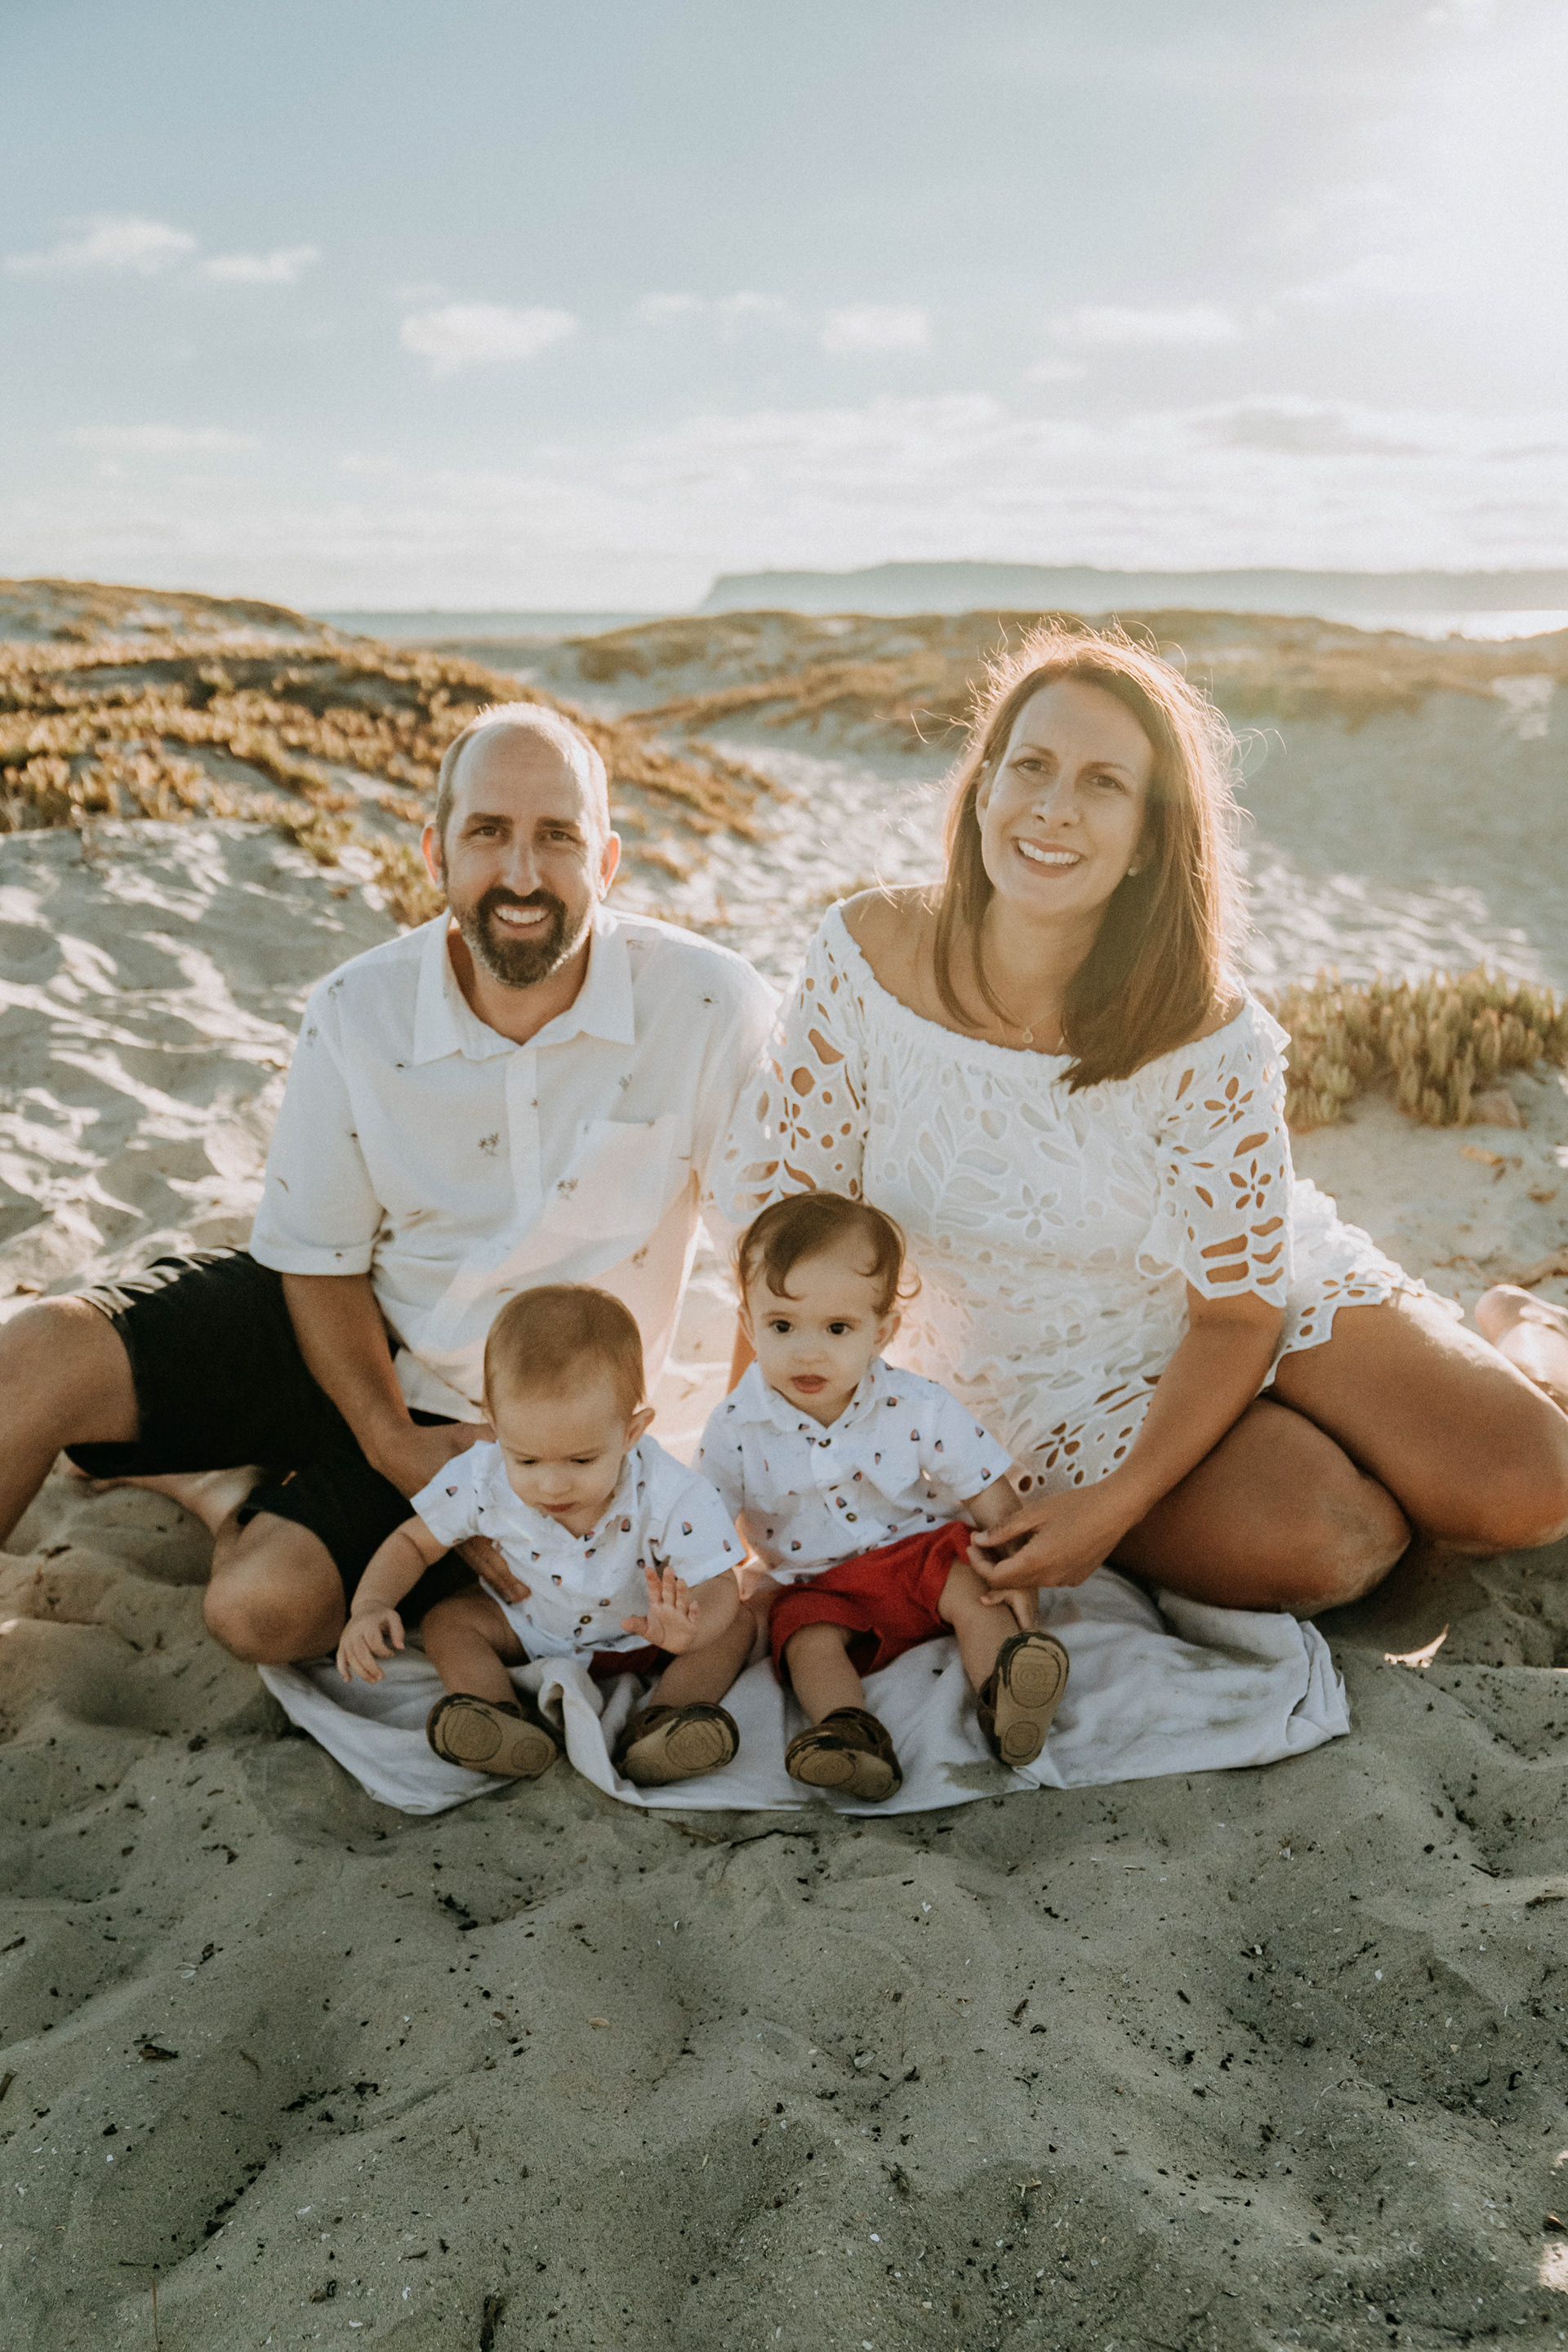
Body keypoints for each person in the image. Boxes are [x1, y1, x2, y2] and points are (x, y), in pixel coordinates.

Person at [718, 626, 1568, 1615]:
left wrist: (1118, 1509)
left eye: (1104, 784)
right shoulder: (867, 954)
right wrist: (748, 1461)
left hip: (1237, 1294)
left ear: (1149, 842)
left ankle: (1526, 1342)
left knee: (1532, 1487)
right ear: (983, 788)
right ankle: (1349, 1444)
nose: (1054, 807)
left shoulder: (1204, 1028)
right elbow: (791, 1231)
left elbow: (1239, 1310)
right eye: (1031, 766)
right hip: (1044, 1376)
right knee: (1339, 1541)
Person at [0, 702, 775, 1667]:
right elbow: (315, 1259)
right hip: (337, 1322)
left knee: (262, 1613)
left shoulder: (707, 1005)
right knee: (36, 1353)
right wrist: (385, 1438)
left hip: (505, 1418)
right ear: (435, 853)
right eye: (487, 832)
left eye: (558, 837)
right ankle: (257, 1456)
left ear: (607, 862)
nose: (522, 874)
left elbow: (768, 1263)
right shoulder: (356, 1009)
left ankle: (225, 1490)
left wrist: (734, 1491)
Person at [695, 1194, 1070, 1801]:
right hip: (817, 1583)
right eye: (782, 1326)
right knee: (806, 1641)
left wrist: (1018, 1571)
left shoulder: (916, 1404)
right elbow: (704, 1523)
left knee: (976, 1588)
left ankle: (1007, 1695)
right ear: (748, 1325)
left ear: (882, 1332)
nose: (808, 1350)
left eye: (837, 1328)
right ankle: (850, 1732)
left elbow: (983, 1485)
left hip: (915, 1553)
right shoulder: (734, 1426)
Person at [336, 1285, 752, 1787]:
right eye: (527, 1460)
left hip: (644, 1631)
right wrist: (371, 1604)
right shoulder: (482, 1476)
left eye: (581, 1460)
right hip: (528, 1625)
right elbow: (412, 1543)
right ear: (494, 1427)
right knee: (448, 1623)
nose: (552, 1485)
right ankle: (495, 1718)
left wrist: (690, 1630)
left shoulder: (669, 1491)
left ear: (631, 1432)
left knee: (735, 1624)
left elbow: (717, 1578)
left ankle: (664, 1721)